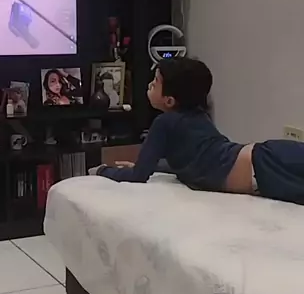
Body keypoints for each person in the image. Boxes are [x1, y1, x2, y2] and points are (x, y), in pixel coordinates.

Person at [90, 57, 304, 205]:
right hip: (264, 161)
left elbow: (138, 176)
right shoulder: (198, 117)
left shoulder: (164, 122)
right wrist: (150, 166)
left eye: (155, 82)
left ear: (169, 100)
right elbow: (189, 163)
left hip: (265, 166)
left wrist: (102, 171)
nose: (149, 85)